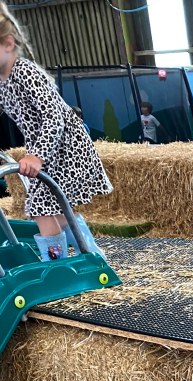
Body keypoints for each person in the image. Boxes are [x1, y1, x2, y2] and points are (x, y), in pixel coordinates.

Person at [0, 4, 111, 261]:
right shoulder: (2, 82)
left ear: (8, 44)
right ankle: (93, 258)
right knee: (58, 212)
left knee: (41, 207)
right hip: (48, 150)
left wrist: (37, 155)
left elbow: (54, 116)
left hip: (65, 148)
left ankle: (56, 265)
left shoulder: (25, 72)